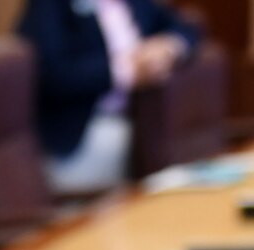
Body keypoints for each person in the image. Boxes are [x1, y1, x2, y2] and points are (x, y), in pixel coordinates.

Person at [17, 0, 204, 193]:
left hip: (139, 125)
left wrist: (168, 47)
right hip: (82, 130)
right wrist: (126, 71)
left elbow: (186, 27)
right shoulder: (51, 5)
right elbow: (52, 74)